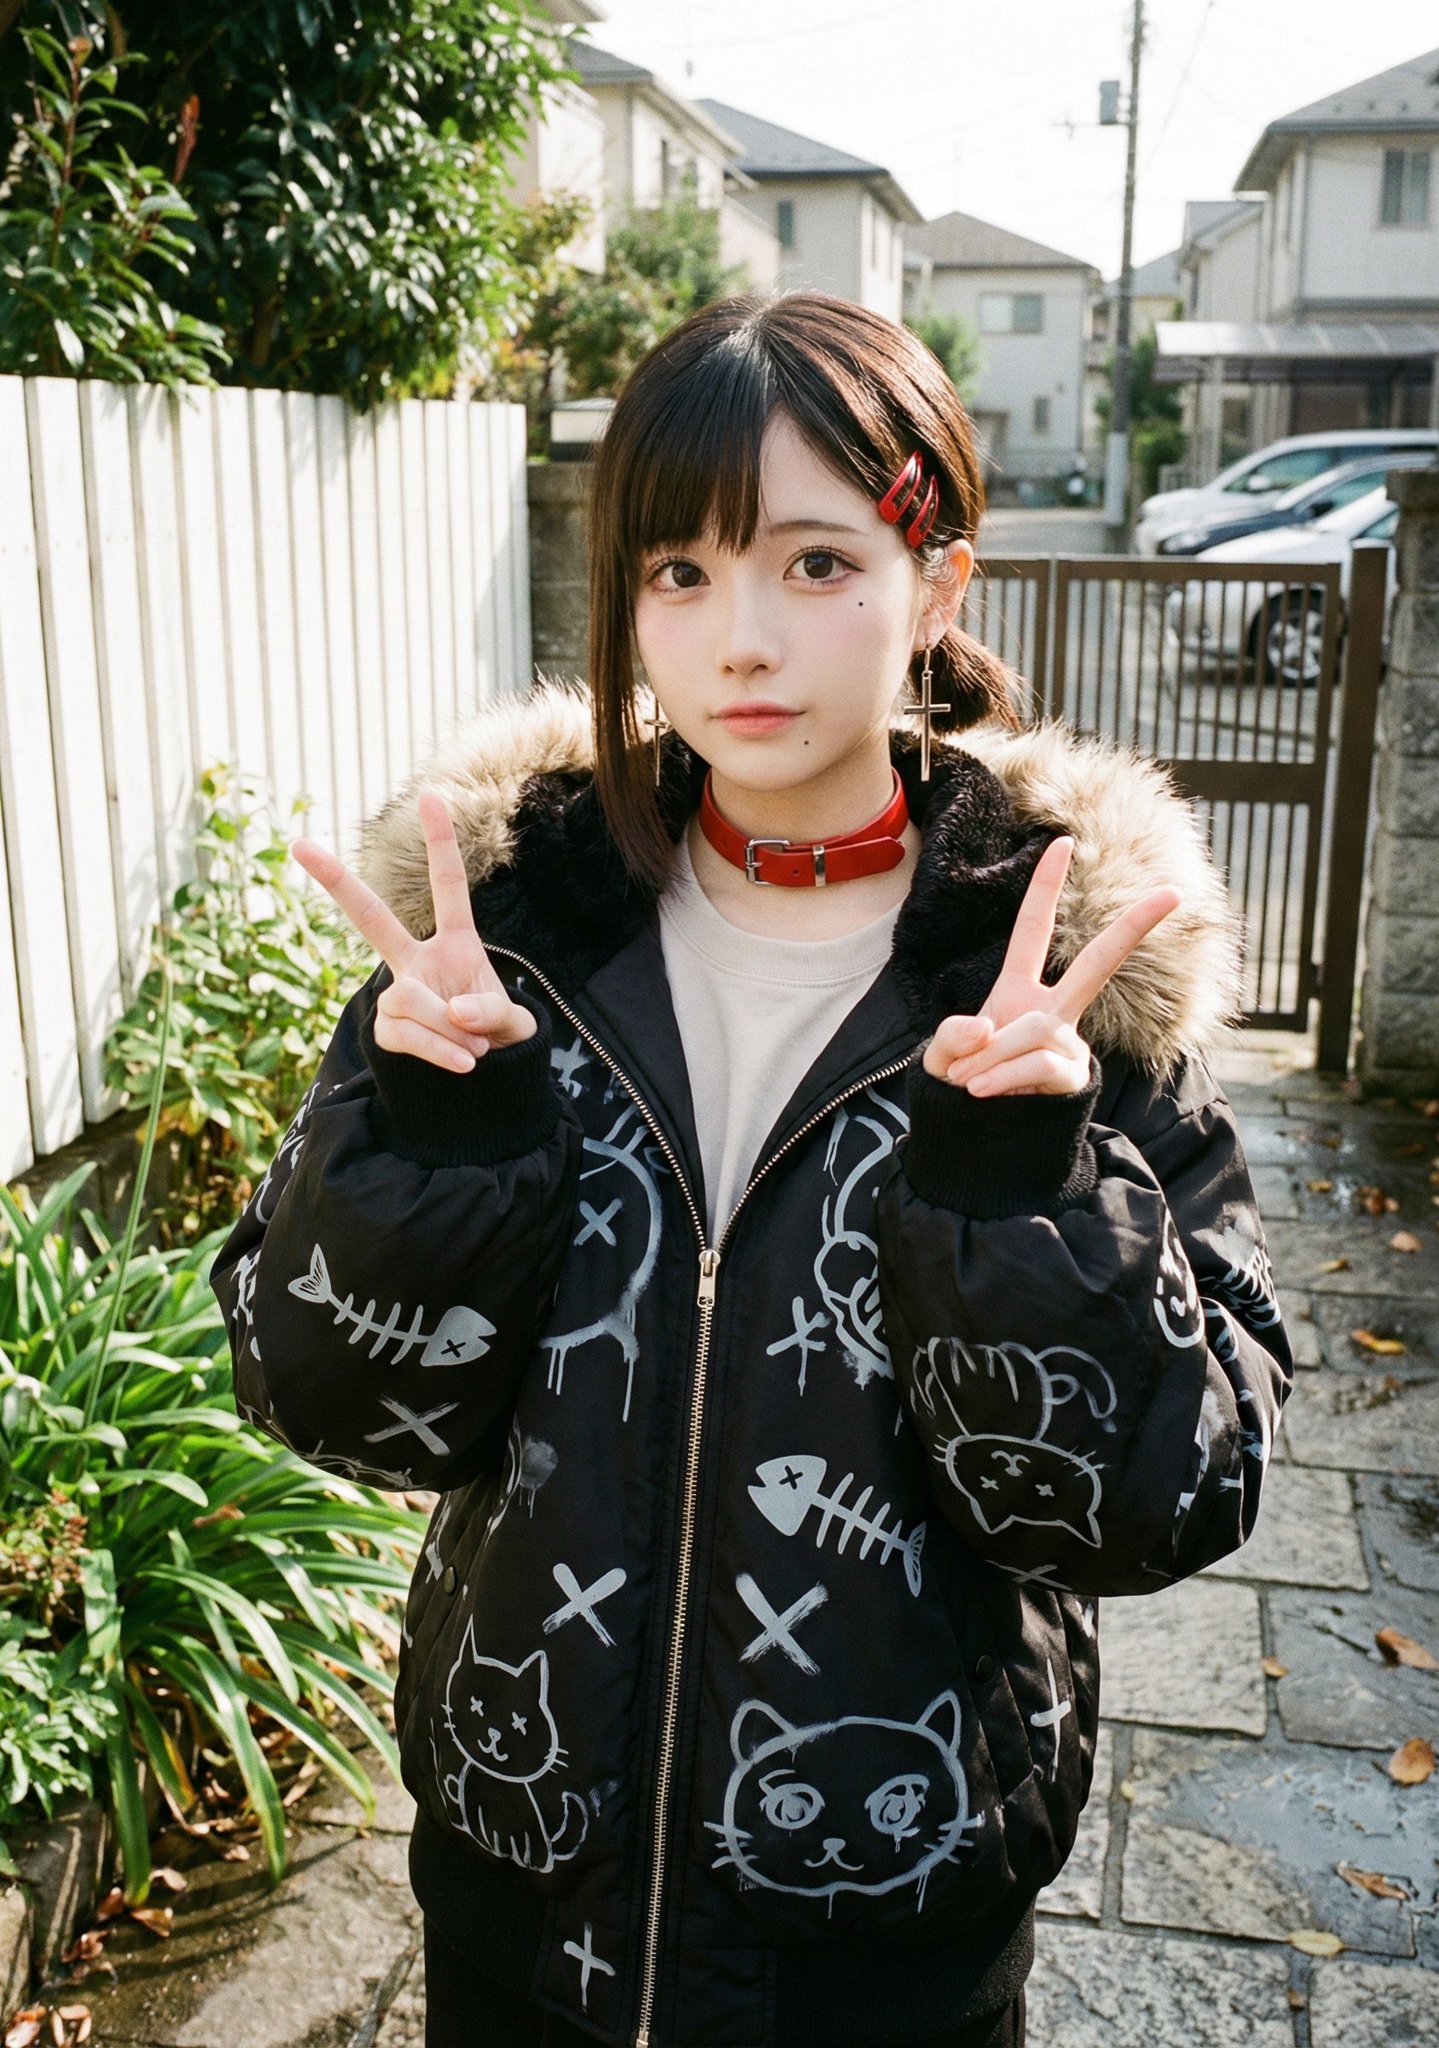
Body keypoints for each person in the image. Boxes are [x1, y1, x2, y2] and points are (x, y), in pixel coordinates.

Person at [210, 290, 1292, 2048]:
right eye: (679, 574)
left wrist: (1020, 1195)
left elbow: (1152, 1503)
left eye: (812, 563)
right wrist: (430, 1146)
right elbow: (338, 1414)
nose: (737, 641)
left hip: (883, 1933)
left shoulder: (1061, 971)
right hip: (518, 1896)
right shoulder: (511, 941)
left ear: (935, 582)